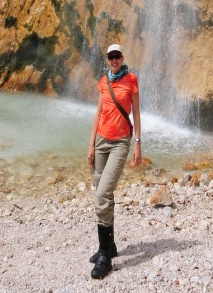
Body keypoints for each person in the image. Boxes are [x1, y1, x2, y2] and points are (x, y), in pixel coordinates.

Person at [87, 43, 141, 279]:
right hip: (101, 140)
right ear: (107, 59)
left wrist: (137, 143)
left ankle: (104, 256)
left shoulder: (132, 80)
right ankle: (109, 245)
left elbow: (136, 114)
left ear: (122, 57)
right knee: (100, 191)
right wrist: (90, 145)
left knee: (102, 194)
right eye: (111, 57)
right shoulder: (103, 81)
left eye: (117, 56)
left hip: (120, 142)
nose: (114, 60)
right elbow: (98, 114)